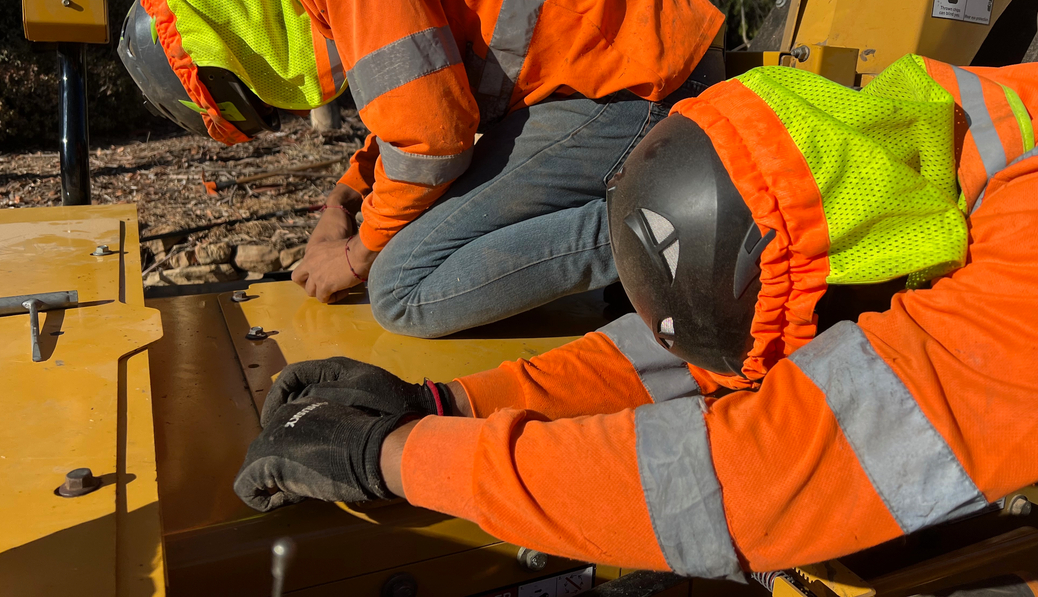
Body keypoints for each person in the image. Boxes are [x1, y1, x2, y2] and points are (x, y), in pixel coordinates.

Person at [232, 54, 1038, 578]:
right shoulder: (905, 163)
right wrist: (450, 405)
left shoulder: (1019, 266)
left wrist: (401, 458)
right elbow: (697, 356)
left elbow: (747, 483)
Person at [116, 0, 724, 336]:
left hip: (642, 79)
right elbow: (415, 101)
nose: (274, 102)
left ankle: (685, 220)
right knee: (407, 242)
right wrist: (343, 203)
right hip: (621, 65)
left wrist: (355, 256)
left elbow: (432, 141)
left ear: (232, 41)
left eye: (252, 95)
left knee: (401, 288)